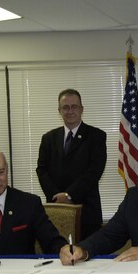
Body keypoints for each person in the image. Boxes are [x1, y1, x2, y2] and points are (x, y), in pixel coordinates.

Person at [36, 88, 107, 240]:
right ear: (59, 111)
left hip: (87, 212)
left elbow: (95, 171)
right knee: (57, 256)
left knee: (89, 257)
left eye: (74, 106)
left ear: (81, 109)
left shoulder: (97, 136)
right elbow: (41, 170)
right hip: (56, 210)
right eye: (65, 107)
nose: (70, 111)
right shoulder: (48, 138)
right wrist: (57, 196)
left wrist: (69, 195)